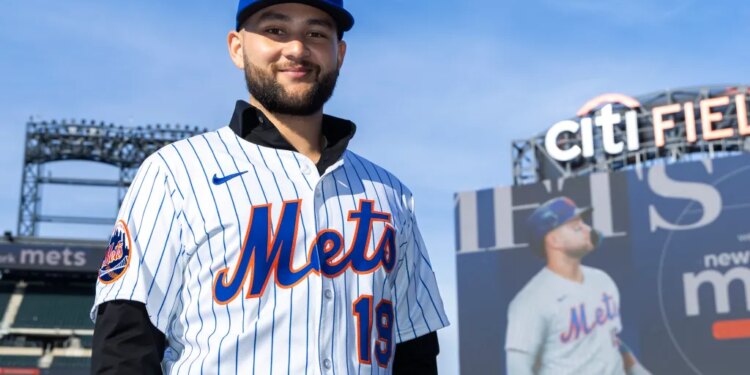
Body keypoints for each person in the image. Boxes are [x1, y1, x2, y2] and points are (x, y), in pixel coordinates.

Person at [90, 1, 449, 373]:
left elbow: (415, 349)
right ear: (237, 47)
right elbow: (126, 340)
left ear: (339, 54)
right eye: (276, 30)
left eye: (316, 34)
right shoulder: (175, 173)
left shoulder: (390, 195)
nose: (296, 49)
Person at [504, 197, 650, 375]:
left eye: (584, 223)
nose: (587, 229)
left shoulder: (602, 280)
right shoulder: (529, 301)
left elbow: (610, 339)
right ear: (554, 241)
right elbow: (518, 367)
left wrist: (637, 370)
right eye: (576, 226)